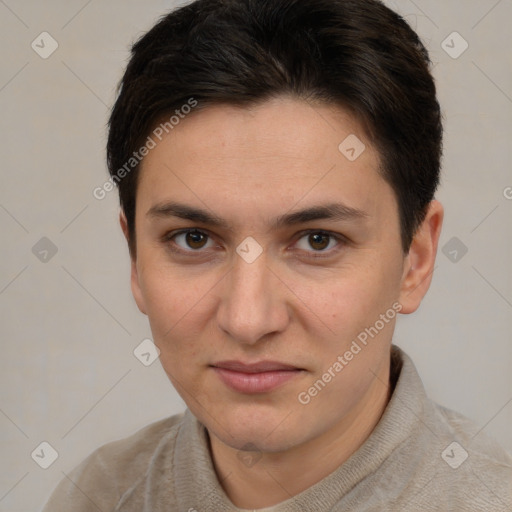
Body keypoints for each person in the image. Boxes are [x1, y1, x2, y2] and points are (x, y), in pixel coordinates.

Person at [43, 0, 512, 510]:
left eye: (317, 240)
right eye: (194, 239)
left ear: (415, 260)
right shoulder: (93, 496)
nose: (247, 320)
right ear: (135, 258)